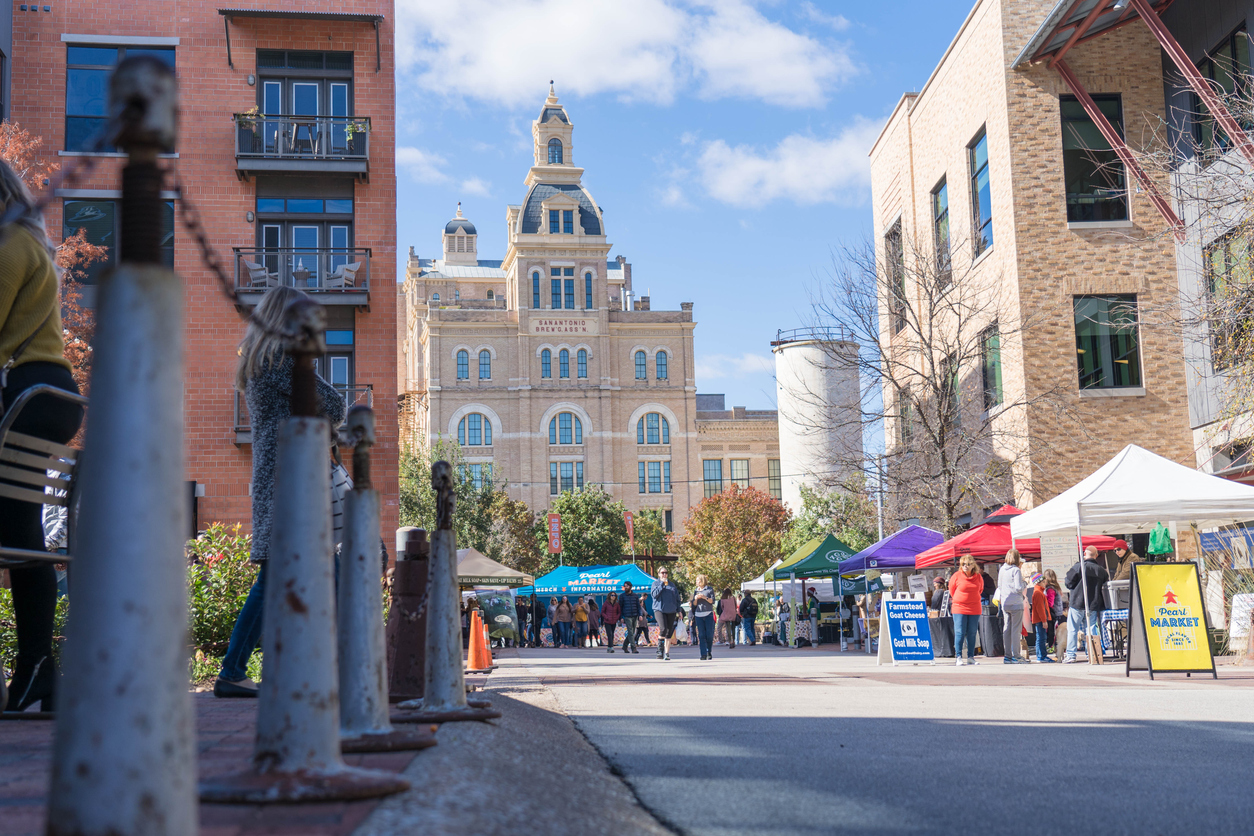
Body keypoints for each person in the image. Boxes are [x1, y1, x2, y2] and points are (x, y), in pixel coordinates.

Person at [215, 286, 346, 699]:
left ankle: (254, 668)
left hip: (278, 476)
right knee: (289, 576)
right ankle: (236, 670)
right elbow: (335, 404)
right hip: (290, 480)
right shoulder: (283, 362)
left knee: (282, 576)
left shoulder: (260, 362)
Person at [0, 160, 86, 712]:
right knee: (22, 531)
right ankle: (38, 670)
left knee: (18, 531)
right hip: (52, 394)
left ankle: (35, 666)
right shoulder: (30, 245)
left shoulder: (8, 245)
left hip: (28, 393)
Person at [1063, 546, 1109, 663]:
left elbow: (1068, 583)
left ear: (1084, 554)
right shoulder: (1101, 570)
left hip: (1077, 603)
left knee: (1073, 629)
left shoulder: (1078, 567)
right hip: (1093, 603)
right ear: (1096, 555)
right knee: (1091, 629)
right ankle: (1092, 653)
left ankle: (1071, 655)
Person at [949, 554, 983, 666]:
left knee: (972, 633)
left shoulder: (978, 577)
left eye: (968, 564)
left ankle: (970, 657)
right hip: (959, 607)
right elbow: (952, 590)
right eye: (963, 564)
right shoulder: (956, 576)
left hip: (974, 608)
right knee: (960, 632)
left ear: (973, 565)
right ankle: (958, 656)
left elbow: (980, 589)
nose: (965, 566)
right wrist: (961, 600)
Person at [997, 549, 1027, 664]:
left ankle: (1007, 655)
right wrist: (1025, 583)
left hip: (1005, 602)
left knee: (1007, 628)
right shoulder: (1016, 570)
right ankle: (1016, 655)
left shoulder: (1002, 569)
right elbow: (1019, 587)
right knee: (1016, 630)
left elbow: (999, 586)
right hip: (1016, 603)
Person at [650, 567, 682, 660]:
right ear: (659, 574)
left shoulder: (672, 585)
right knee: (663, 628)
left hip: (671, 610)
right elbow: (654, 595)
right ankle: (660, 650)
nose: (664, 574)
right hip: (659, 609)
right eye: (662, 573)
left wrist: (679, 610)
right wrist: (662, 585)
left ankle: (667, 653)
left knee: (669, 631)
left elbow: (677, 599)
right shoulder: (655, 584)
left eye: (666, 573)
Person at [1028, 572, 1054, 662]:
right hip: (1040, 620)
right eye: (1043, 582)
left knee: (1041, 637)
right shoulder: (1038, 593)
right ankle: (1041, 656)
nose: (1045, 583)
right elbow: (1040, 608)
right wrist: (1044, 620)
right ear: (1038, 582)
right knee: (1041, 638)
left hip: (1040, 619)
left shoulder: (1038, 592)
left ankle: (1041, 655)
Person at [691, 574, 716, 660]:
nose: (696, 582)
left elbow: (712, 601)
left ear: (702, 581)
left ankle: (709, 650)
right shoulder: (695, 591)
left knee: (709, 634)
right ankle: (703, 654)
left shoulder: (709, 589)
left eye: (698, 580)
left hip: (708, 614)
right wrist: (696, 598)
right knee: (701, 635)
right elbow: (694, 604)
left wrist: (704, 597)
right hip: (698, 614)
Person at [1043, 569, 1065, 654]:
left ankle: (1051, 646)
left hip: (1053, 613)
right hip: (1058, 612)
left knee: (1052, 632)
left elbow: (1050, 603)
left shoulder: (1050, 589)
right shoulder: (1057, 587)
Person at [619, 581, 641, 653]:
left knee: (632, 632)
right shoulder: (622, 596)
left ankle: (624, 646)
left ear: (630, 587)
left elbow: (638, 606)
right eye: (625, 586)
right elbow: (620, 608)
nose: (625, 587)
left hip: (635, 615)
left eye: (627, 586)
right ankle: (633, 648)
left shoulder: (635, 596)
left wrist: (640, 615)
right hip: (627, 616)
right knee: (631, 632)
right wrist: (621, 617)